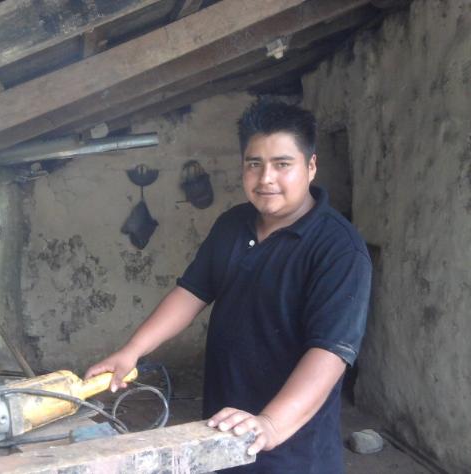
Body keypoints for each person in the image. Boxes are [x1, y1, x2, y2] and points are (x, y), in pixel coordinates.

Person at [85, 101, 372, 473]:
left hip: (294, 449)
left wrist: (270, 424)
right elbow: (191, 293)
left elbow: (330, 353)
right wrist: (132, 351)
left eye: (282, 164)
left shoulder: (339, 249)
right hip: (222, 429)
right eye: (254, 164)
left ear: (311, 166)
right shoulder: (232, 225)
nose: (266, 178)